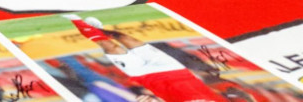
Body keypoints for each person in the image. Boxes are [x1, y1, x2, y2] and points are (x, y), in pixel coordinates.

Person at [65, 15, 225, 102]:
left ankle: (76, 20)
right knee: (124, 37)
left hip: (144, 75)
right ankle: (98, 29)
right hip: (173, 69)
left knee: (111, 47)